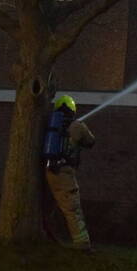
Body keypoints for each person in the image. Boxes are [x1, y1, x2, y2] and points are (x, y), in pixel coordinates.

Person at [44, 94, 96, 250]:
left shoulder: (51, 125)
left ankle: (50, 236)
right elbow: (91, 141)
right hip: (65, 173)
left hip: (49, 171)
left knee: (53, 205)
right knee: (73, 208)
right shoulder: (77, 126)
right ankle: (82, 244)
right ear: (72, 109)